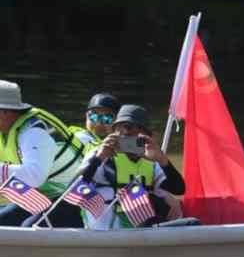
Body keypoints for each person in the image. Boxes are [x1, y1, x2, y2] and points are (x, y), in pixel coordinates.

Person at [79, 105, 185, 229]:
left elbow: (179, 189)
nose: (128, 136)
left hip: (141, 227)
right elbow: (74, 187)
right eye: (123, 131)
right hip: (105, 229)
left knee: (191, 223)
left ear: (147, 136)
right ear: (114, 133)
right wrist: (98, 159)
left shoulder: (151, 160)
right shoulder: (99, 155)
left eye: (136, 133)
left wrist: (163, 160)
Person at [0, 81, 87, 227]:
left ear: (5, 112)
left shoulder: (34, 132)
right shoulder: (5, 130)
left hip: (70, 200)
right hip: (39, 196)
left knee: (27, 228)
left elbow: (34, 176)